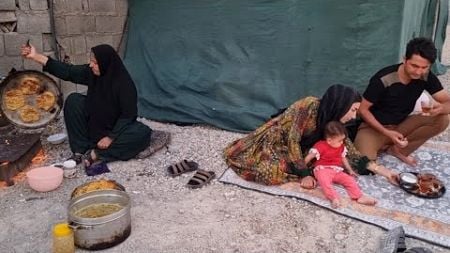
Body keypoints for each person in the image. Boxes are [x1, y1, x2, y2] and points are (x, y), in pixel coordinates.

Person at [224, 84, 398, 189]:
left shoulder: (334, 122)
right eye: (353, 110)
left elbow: (350, 150)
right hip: (278, 141)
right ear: (341, 104)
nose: (353, 116)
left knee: (337, 159)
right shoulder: (308, 106)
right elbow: (292, 139)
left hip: (302, 147)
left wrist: (385, 172)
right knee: (270, 171)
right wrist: (304, 173)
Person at [21, 43, 152, 166]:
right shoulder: (91, 73)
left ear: (106, 64)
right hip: (94, 126)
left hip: (114, 130)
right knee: (74, 100)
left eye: (95, 62)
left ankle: (96, 153)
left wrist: (110, 137)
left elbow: (128, 116)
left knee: (142, 133)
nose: (91, 65)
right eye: (91, 61)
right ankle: (79, 151)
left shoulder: (125, 85)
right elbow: (68, 71)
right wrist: (35, 56)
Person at [355, 37, 450, 166]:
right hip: (375, 127)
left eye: (424, 67)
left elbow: (447, 102)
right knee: (364, 162)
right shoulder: (384, 78)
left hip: (401, 126)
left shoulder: (425, 76)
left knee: (443, 119)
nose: (418, 71)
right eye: (414, 66)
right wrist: (387, 133)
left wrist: (440, 109)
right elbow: (363, 110)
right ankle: (385, 143)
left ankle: (397, 149)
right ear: (405, 59)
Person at [304, 121, 377, 208]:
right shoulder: (320, 146)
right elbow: (309, 157)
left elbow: (343, 158)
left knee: (349, 180)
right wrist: (303, 169)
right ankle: (334, 198)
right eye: (339, 140)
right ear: (329, 140)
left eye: (342, 140)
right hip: (322, 169)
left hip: (336, 170)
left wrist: (350, 170)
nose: (342, 142)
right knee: (325, 182)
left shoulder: (341, 147)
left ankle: (359, 196)